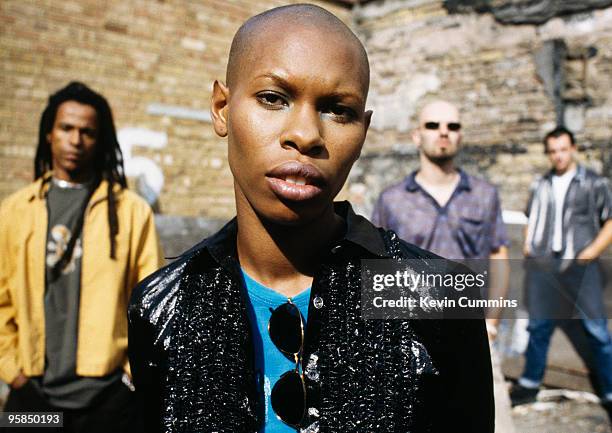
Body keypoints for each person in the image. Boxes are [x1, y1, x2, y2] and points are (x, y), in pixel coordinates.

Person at [128, 5, 494, 433]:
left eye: (338, 110)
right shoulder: (162, 306)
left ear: (364, 130)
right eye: (273, 99)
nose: (305, 134)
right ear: (222, 108)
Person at [0, 82, 163, 433]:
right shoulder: (14, 212)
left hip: (108, 401)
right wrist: (13, 376)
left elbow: (152, 306)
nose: (76, 140)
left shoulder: (132, 213)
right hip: (32, 396)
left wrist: (129, 380)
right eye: (66, 128)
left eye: (87, 132)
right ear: (49, 134)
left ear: (99, 139)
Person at [372, 100, 515, 432]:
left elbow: (499, 256)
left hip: (473, 331)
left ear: (461, 135)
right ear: (416, 136)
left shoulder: (484, 194)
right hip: (411, 338)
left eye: (452, 126)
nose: (443, 133)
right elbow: (378, 267)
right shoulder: (392, 200)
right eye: (433, 125)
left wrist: (492, 321)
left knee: (493, 423)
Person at [510, 126, 612, 416]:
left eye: (563, 149)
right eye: (553, 151)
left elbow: (610, 219)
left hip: (580, 266)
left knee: (597, 331)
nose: (558, 156)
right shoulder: (540, 184)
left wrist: (591, 252)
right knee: (539, 327)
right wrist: (529, 243)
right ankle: (529, 385)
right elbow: (530, 216)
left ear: (573, 149)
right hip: (545, 267)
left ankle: (609, 390)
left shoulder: (593, 183)